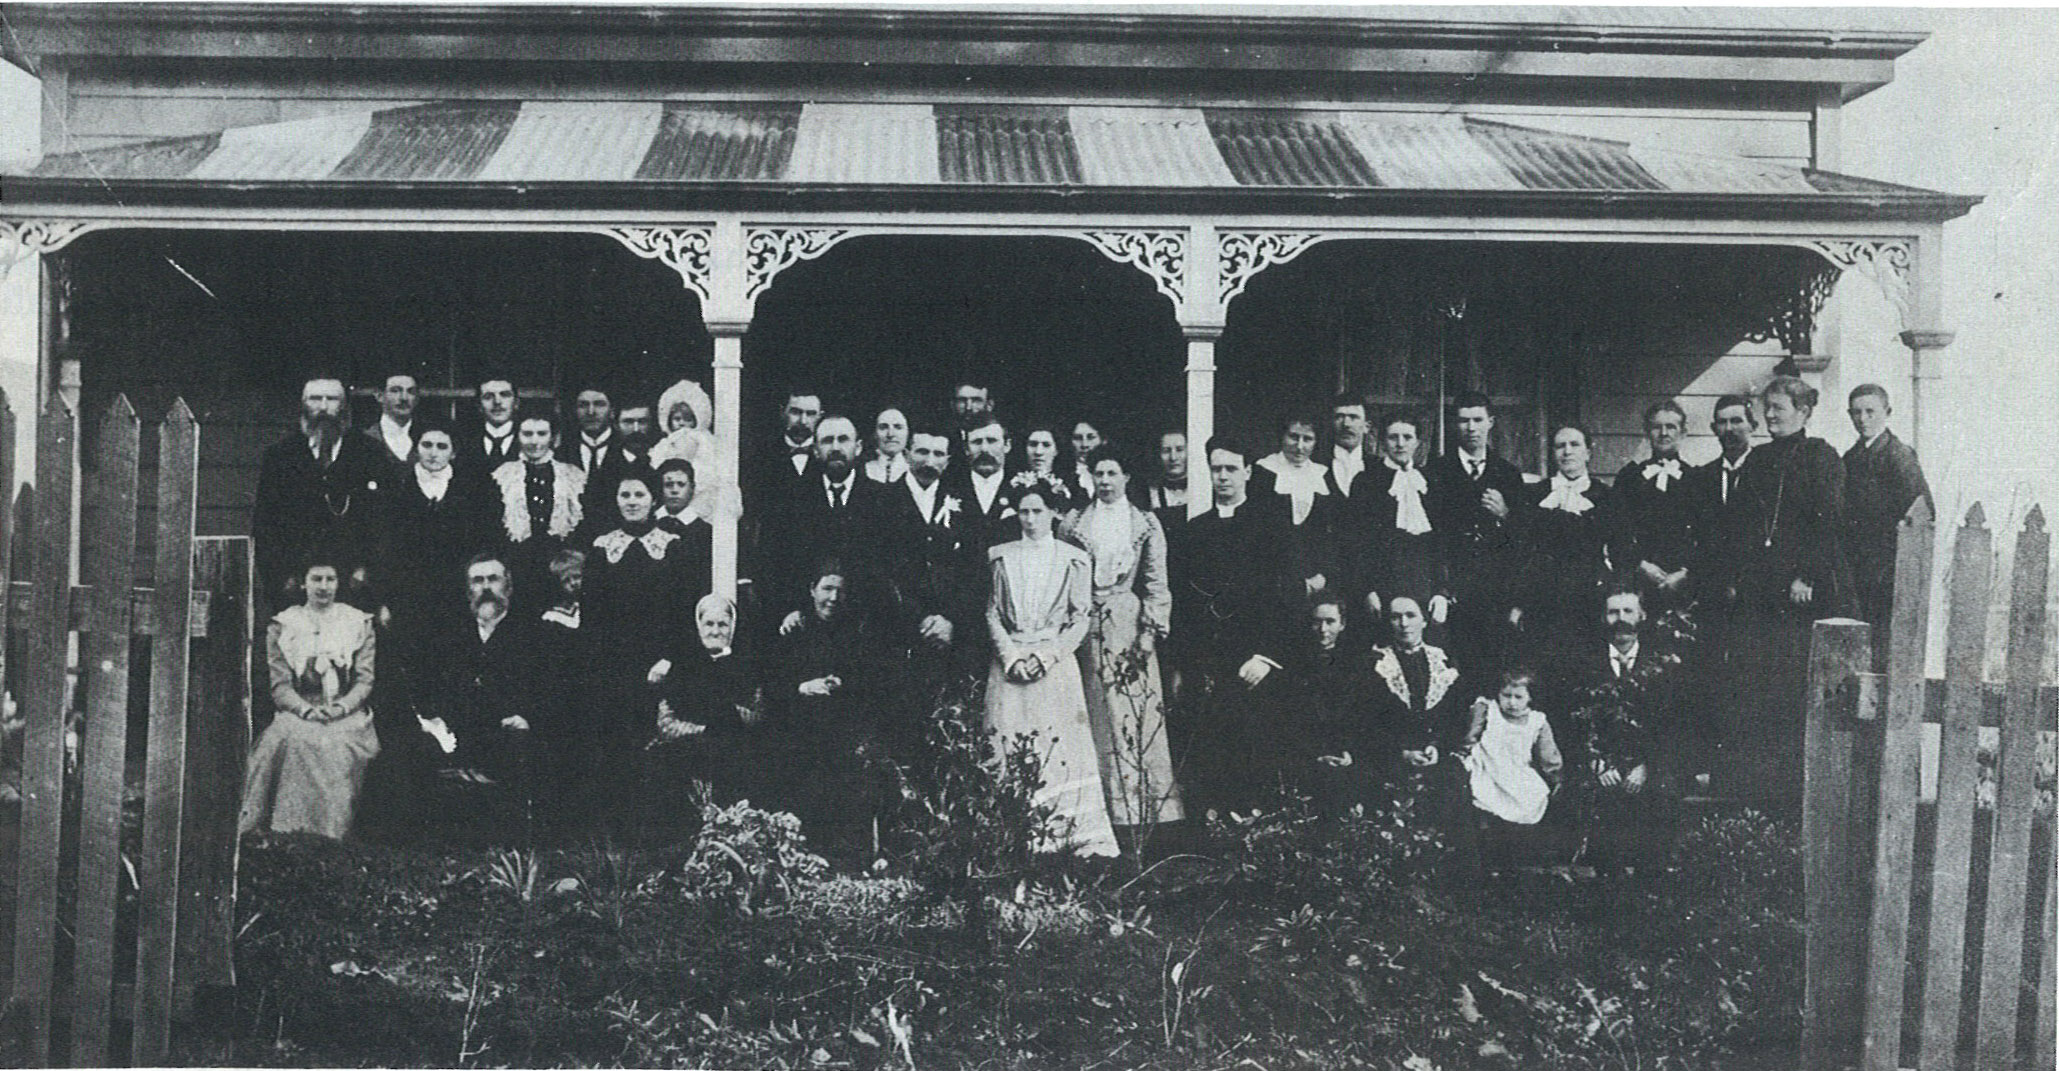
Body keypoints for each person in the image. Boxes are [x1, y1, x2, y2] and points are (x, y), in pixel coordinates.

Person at [1726, 375, 1853, 811]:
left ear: (1804, 412)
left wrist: (1807, 577)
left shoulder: (1822, 457)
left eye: (1779, 407)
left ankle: (1794, 793)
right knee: (1757, 688)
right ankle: (1758, 795)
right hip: (1760, 593)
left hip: (1801, 596)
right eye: (1767, 407)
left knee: (1791, 689)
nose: (1770, 415)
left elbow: (1829, 522)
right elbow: (1741, 525)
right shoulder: (1757, 459)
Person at [985, 477, 1120, 857]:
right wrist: (1011, 656)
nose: (1030, 520)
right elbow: (992, 613)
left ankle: (1064, 836)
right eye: (1024, 511)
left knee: (1057, 745)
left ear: (1053, 513)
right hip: (1010, 667)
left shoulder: (1073, 558)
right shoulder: (1001, 555)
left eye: (1037, 511)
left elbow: (1080, 618)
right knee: (1009, 741)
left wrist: (1046, 656)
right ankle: (1012, 836)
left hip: (1053, 666)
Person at [1171, 437, 1301, 818]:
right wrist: (1182, 664)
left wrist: (1267, 656)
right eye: (1216, 469)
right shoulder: (1194, 530)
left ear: (1247, 472)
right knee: (1209, 755)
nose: (1223, 476)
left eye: (1231, 468)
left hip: (1256, 665)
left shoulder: (1273, 528)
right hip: (1207, 664)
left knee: (1254, 756)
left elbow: (1291, 599)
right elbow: (1183, 603)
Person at [1060, 446, 1183, 832]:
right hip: (1084, 628)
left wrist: (1149, 634)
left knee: (1134, 715)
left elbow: (1157, 585)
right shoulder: (1074, 522)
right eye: (1099, 474)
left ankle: (1144, 817)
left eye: (1113, 473)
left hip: (1129, 628)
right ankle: (1097, 815)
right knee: (1092, 715)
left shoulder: (1144, 523)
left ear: (1127, 477)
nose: (1106, 482)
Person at [239, 555, 380, 839]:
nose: (323, 587)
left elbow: (365, 682)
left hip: (346, 714)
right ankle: (287, 831)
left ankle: (330, 834)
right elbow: (280, 687)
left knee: (336, 745)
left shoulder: (357, 622)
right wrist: (304, 710)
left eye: (330, 579)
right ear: (303, 583)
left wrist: (340, 707)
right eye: (316, 579)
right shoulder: (284, 625)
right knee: (291, 738)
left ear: (339, 583)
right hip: (301, 710)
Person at [581, 470, 697, 815]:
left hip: (659, 664)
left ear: (653, 499)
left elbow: (684, 612)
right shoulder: (602, 548)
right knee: (614, 741)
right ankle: (615, 822)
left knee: (655, 740)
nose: (632, 502)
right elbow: (591, 616)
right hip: (612, 665)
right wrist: (601, 665)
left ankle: (655, 822)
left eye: (639, 495)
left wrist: (667, 661)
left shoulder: (672, 547)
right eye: (625, 495)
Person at [769, 559, 893, 851]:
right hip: (798, 729)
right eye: (826, 588)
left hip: (841, 728)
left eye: (840, 590)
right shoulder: (793, 630)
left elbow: (868, 679)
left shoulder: (855, 631)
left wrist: (841, 682)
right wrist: (803, 687)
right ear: (812, 590)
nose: (833, 598)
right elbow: (774, 684)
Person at [416, 554, 543, 831]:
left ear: (507, 587)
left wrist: (528, 717)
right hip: (458, 729)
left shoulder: (534, 634)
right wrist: (435, 720)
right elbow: (434, 688)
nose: (486, 587)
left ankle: (508, 838)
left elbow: (546, 688)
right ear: (468, 590)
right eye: (478, 580)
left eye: (493, 579)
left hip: (507, 730)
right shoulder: (451, 636)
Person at [1564, 586, 1683, 871]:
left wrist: (1645, 767)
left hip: (1647, 766)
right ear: (1603, 618)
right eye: (1613, 612)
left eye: (1628, 611)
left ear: (1642, 616)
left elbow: (1670, 726)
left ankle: (1653, 883)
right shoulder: (1583, 664)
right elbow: (1573, 722)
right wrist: (1599, 764)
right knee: (1597, 805)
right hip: (1600, 765)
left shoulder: (1664, 666)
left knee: (1661, 795)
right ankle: (1607, 887)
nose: (1621, 618)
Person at [253, 375, 389, 612]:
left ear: (344, 406)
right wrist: (283, 576)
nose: (324, 407)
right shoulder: (280, 456)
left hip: (355, 582)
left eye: (332, 399)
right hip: (296, 584)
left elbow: (384, 520)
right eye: (316, 399)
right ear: (304, 405)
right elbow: (265, 523)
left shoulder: (369, 453)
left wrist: (368, 570)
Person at [1422, 392, 1528, 678]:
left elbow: (1523, 539)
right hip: (1451, 588)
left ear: (1490, 422)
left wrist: (1505, 514)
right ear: (1455, 425)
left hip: (1495, 590)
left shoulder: (1508, 474)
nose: (1471, 428)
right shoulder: (1436, 472)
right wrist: (1439, 588)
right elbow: (1428, 536)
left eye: (1478, 420)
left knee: (1493, 667)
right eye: (1464, 421)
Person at [884, 427, 983, 703]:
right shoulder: (881, 501)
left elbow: (974, 568)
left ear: (948, 460)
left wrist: (950, 620)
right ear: (906, 454)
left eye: (938, 453)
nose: (929, 461)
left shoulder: (964, 502)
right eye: (922, 452)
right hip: (901, 631)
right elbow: (876, 570)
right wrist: (920, 619)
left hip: (951, 634)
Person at [768, 414, 894, 629]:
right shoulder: (791, 499)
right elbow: (776, 563)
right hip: (807, 624)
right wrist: (790, 610)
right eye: (827, 440)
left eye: (843, 439)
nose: (835, 447)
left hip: (868, 626)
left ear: (859, 447)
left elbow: (892, 568)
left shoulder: (884, 500)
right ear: (815, 450)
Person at [647, 593, 760, 832]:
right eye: (709, 623)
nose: (715, 631)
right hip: (688, 750)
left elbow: (756, 714)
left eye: (722, 624)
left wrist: (728, 718)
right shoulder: (681, 667)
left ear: (733, 628)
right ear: (699, 627)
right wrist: (705, 729)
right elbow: (665, 723)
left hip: (733, 750)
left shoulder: (747, 666)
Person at [1842, 384, 1932, 653]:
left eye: (1870, 411)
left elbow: (1920, 509)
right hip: (1857, 561)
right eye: (1856, 412)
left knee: (1884, 637)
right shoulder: (1851, 457)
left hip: (1886, 564)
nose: (1863, 419)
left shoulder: (1898, 455)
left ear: (1887, 412)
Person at [1518, 424, 1618, 656]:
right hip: (1543, 597)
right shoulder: (1535, 495)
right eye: (1560, 446)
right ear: (1552, 453)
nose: (1567, 451)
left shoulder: (1606, 496)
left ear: (1588, 452)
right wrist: (1519, 602)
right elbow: (1522, 550)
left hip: (1589, 596)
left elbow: (1620, 550)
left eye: (1575, 445)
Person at [1346, 412, 1447, 636]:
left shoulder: (1429, 482)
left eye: (1407, 437)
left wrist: (1442, 591)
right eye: (1393, 437)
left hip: (1423, 583)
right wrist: (1367, 590)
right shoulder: (1366, 482)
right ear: (1383, 441)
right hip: (1382, 585)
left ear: (1418, 442)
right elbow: (1356, 543)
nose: (1400, 444)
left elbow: (1440, 541)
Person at [1455, 668, 1564, 869]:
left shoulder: (1537, 720)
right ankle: (1490, 851)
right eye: (1506, 696)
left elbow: (1548, 755)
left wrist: (1554, 776)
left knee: (1533, 795)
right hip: (1488, 767)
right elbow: (1470, 737)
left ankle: (1516, 855)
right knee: (1484, 797)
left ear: (1530, 698)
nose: (1511, 702)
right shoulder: (1487, 710)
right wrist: (1464, 757)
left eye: (1518, 697)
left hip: (1519, 771)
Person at [1366, 595, 1467, 803]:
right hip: (1391, 759)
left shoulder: (1444, 660)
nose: (1404, 623)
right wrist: (1403, 753)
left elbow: (1456, 716)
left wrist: (1438, 748)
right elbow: (1367, 722)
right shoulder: (1376, 663)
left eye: (1411, 615)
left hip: (1436, 759)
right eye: (1396, 617)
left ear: (1424, 621)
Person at [1286, 594, 1380, 815]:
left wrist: (1349, 752)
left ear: (1343, 624)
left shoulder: (1358, 665)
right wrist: (1315, 755)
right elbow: (1289, 720)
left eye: (1330, 622)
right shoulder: (1294, 665)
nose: (1323, 629)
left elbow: (1364, 717)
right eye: (1317, 622)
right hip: (1307, 759)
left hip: (1349, 757)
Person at [488, 413, 586, 598]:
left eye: (541, 434)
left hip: (561, 566)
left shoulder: (572, 475)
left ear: (553, 438)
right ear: (517, 437)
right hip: (516, 563)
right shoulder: (502, 475)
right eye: (527, 434)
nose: (534, 441)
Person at [1612, 401, 1697, 608]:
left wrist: (1684, 573)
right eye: (1657, 427)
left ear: (1683, 433)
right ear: (1647, 432)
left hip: (1683, 581)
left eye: (1671, 427)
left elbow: (1705, 533)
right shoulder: (1630, 477)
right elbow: (1617, 531)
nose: (1663, 433)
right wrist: (1642, 566)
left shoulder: (1696, 478)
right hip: (1638, 577)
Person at [1251, 412, 1343, 599]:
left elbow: (1332, 534)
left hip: (1317, 580)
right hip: (1274, 579)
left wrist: (1323, 575)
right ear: (1282, 436)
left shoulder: (1322, 475)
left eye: (1307, 439)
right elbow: (1255, 532)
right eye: (1293, 437)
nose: (1300, 446)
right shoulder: (1263, 471)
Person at [942, 414, 1021, 554]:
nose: (984, 448)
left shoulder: (1022, 489)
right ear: (966, 448)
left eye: (992, 441)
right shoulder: (949, 488)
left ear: (1007, 445)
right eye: (977, 442)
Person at [460, 375, 522, 473]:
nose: (497, 402)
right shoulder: (464, 443)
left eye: (505, 395)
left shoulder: (528, 441)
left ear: (516, 403)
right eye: (488, 397)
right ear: (479, 405)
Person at [1020, 423, 1084, 515]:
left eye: (1046, 445)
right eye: (1033, 444)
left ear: (1056, 450)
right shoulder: (1012, 483)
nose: (1038, 452)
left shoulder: (1072, 486)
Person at [365, 371, 419, 467]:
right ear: (379, 396)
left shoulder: (427, 436)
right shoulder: (363, 437)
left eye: (411, 391)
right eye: (395, 391)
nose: (404, 398)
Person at [1141, 429, 1191, 529]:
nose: (1173, 457)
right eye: (1166, 451)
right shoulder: (1149, 493)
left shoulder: (1204, 488)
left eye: (1180, 449)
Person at [1327, 394, 1374, 498]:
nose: (1346, 424)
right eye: (1339, 417)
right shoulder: (1315, 464)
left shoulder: (1379, 469)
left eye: (1353, 417)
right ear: (1331, 424)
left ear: (1366, 427)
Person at [864, 407, 911, 484]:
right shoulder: (861, 470)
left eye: (898, 427)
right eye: (883, 427)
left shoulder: (915, 470)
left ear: (908, 432)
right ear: (875, 434)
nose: (890, 434)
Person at [1068, 420, 1105, 499]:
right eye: (1078, 438)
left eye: (1091, 438)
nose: (1084, 445)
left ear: (1103, 441)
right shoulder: (1063, 474)